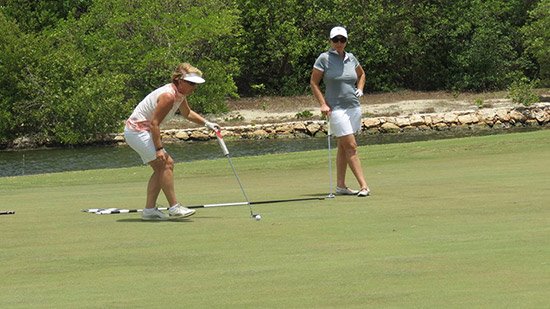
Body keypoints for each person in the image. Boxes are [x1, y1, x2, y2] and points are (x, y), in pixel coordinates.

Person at [124, 63, 220, 220]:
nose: (193, 87)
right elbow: (154, 123)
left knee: (161, 168)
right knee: (166, 164)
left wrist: (207, 123)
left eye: (195, 84)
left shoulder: (180, 95)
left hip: (142, 131)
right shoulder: (168, 95)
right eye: (191, 83)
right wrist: (159, 149)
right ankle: (174, 207)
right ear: (179, 80)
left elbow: (187, 113)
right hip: (137, 131)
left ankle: (149, 210)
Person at [310, 26, 370, 197]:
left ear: (346, 41)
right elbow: (314, 83)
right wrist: (323, 104)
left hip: (353, 106)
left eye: (342, 40)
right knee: (351, 146)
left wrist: (360, 88)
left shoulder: (351, 58)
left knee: (343, 147)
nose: (339, 43)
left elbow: (362, 74)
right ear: (330, 41)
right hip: (335, 109)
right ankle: (364, 185)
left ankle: (341, 186)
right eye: (335, 40)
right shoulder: (324, 58)